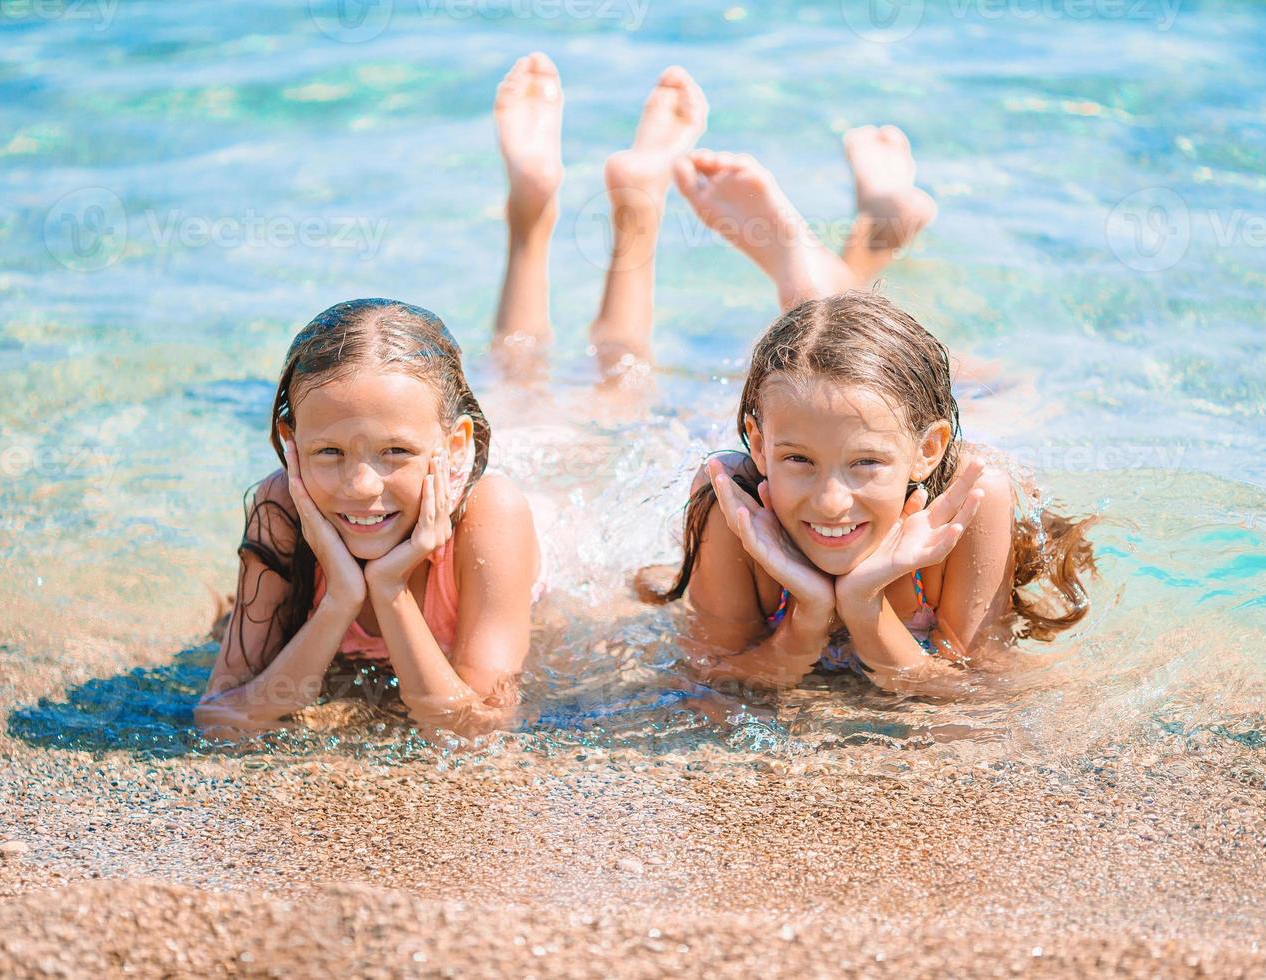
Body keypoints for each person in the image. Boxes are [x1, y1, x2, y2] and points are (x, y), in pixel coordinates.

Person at [197, 53, 710, 737]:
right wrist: (339, 601)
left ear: (456, 448)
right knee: (522, 374)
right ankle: (532, 209)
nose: (358, 486)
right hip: (453, 459)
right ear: (290, 443)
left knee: (613, 387)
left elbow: (474, 727)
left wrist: (389, 594)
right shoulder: (280, 508)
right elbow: (220, 719)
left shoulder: (490, 514)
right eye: (326, 452)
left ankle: (627, 213)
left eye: (393, 452)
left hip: (555, 501)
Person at [654, 138, 1094, 696]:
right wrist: (809, 615)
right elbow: (711, 679)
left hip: (935, 428)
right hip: (858, 417)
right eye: (796, 460)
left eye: (865, 464)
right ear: (760, 448)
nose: (832, 501)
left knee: (1004, 389)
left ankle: (823, 248)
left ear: (928, 451)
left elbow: (976, 693)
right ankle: (858, 238)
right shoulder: (730, 498)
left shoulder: (974, 501)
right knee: (821, 363)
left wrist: (863, 606)